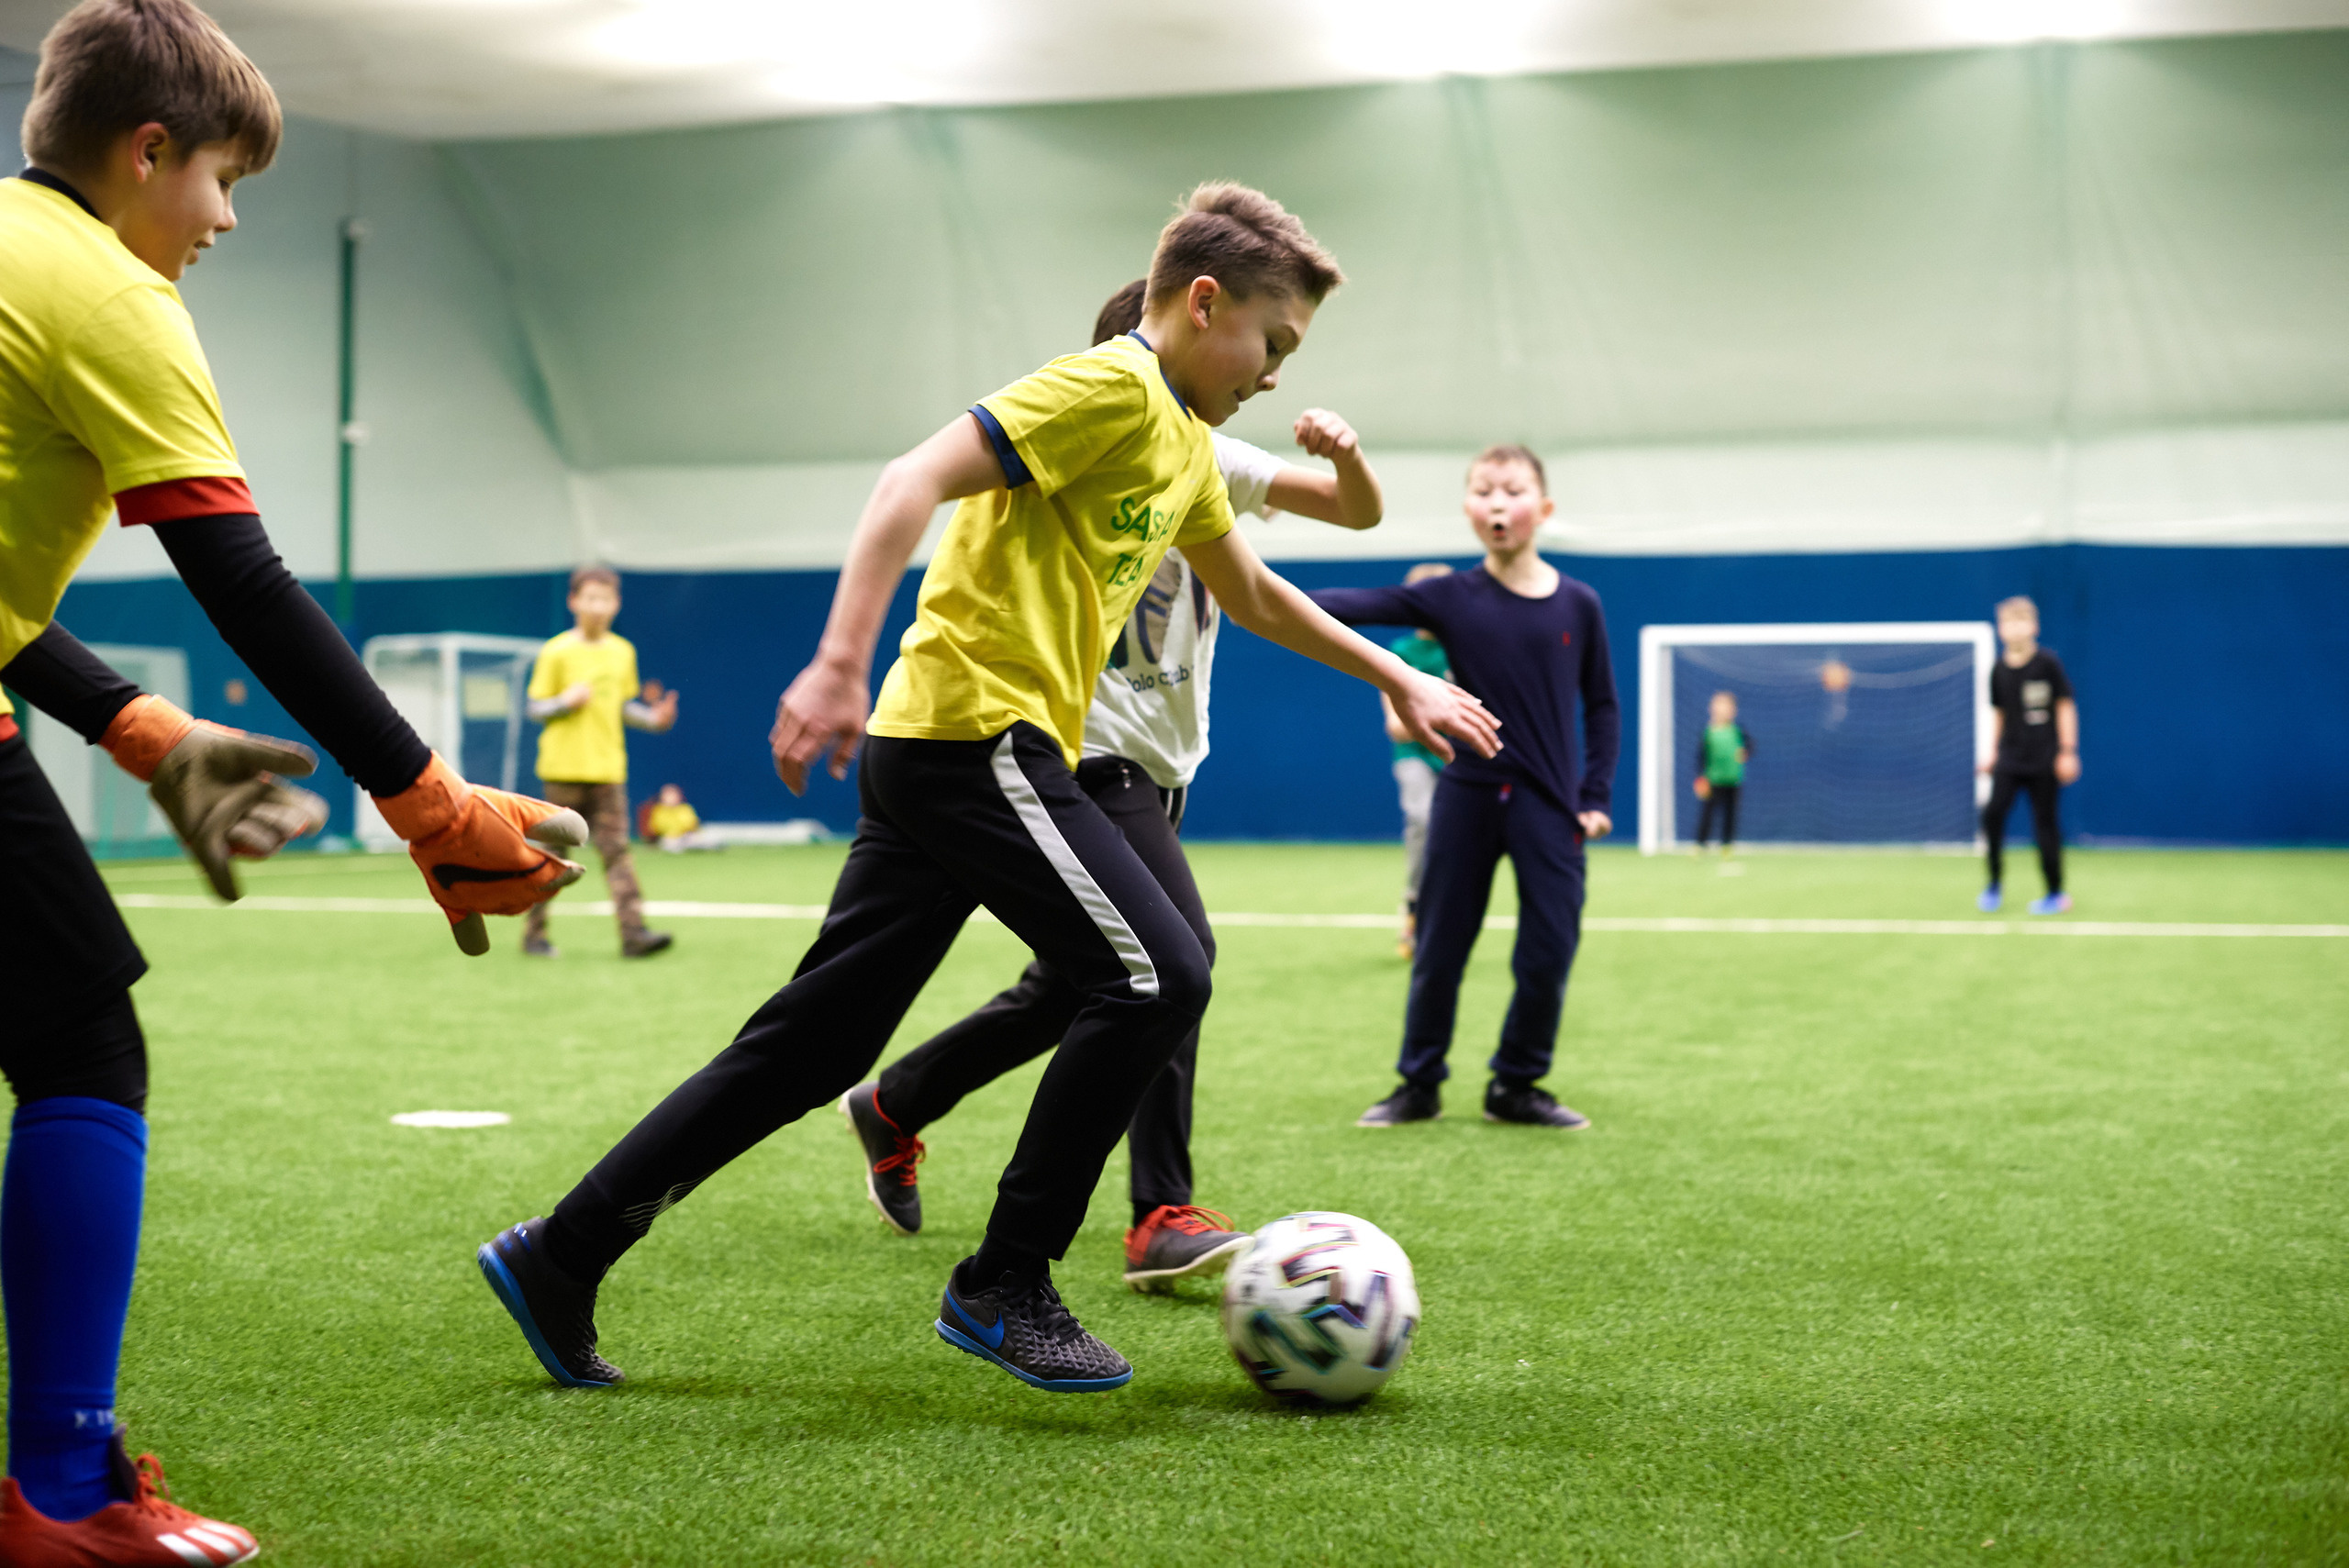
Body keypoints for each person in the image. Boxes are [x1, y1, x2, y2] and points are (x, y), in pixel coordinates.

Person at [475, 182, 1497, 1398]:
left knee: (816, 1044)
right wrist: (839, 660)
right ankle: (1007, 1277)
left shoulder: (1181, 440)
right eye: (1273, 342)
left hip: (952, 751)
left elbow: (1263, 595)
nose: (1277, 372)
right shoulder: (1110, 384)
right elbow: (910, 477)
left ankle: (560, 1253)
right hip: (976, 737)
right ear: (1202, 303)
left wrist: (1396, 679)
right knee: (1157, 973)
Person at [0, 4, 584, 1559]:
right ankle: (57, 1494)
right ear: (144, 154)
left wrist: (138, 730)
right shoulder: (110, 288)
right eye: (219, 180)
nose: (225, 221)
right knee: (74, 1040)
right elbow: (244, 581)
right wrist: (434, 807)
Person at [840, 276, 1387, 1294]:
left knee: (1073, 986)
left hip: (1166, 755)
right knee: (1175, 962)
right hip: (1082, 748)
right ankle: (1154, 1213)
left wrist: (1346, 458)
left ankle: (898, 1100)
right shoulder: (1093, 423)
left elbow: (1343, 521)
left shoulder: (1206, 454)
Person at [1310, 445, 1619, 1131]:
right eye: (1484, 490)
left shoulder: (1580, 603)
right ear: (1469, 510)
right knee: (1440, 946)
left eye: (1512, 489)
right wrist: (1235, 584)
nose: (1498, 501)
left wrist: (1594, 796)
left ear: (1544, 508)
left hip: (1551, 804)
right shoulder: (1450, 595)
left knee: (1548, 949)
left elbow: (1602, 705)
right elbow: (1345, 604)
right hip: (1467, 796)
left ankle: (1517, 1084)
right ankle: (1417, 1083)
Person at [521, 565, 680, 958]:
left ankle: (634, 935)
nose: (597, 606)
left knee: (617, 853)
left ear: (616, 604)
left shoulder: (623, 653)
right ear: (573, 601)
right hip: (562, 773)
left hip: (608, 771)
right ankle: (534, 935)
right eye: (589, 598)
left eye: (605, 599)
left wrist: (654, 719)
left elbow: (623, 706)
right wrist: (564, 702)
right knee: (552, 859)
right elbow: (534, 707)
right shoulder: (556, 651)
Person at [1977, 595, 2079, 916]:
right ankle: (1994, 884)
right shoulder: (1997, 669)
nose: (2014, 627)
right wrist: (1992, 752)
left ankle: (2055, 893)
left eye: (2021, 620)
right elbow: (2000, 714)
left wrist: (2067, 751)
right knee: (1993, 815)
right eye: (2008, 621)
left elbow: (2065, 706)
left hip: (2045, 758)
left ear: (2034, 626)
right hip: (2009, 757)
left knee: (2045, 825)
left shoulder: (2048, 663)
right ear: (2000, 628)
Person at [1380, 563, 1453, 959]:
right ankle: (1413, 906)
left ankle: (1443, 919)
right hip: (1414, 755)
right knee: (1423, 819)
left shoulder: (1467, 645)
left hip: (1461, 760)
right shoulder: (1401, 653)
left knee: (1459, 843)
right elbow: (1396, 726)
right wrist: (1444, 719)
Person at [1692, 690, 1752, 852]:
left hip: (1733, 780)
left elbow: (1749, 747)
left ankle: (1727, 845)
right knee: (1708, 814)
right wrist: (1700, 778)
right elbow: (1701, 756)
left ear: (1733, 710)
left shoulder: (1738, 730)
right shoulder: (1708, 732)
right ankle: (1700, 845)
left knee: (1730, 815)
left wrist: (1745, 752)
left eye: (1726, 705)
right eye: (1718, 705)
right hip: (1713, 780)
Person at [644, 783, 719, 852]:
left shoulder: (685, 808)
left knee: (699, 839)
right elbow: (655, 827)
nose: (671, 799)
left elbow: (693, 824)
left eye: (673, 795)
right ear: (662, 797)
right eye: (668, 796)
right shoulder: (659, 811)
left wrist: (685, 831)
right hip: (670, 838)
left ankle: (708, 846)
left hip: (687, 836)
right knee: (670, 843)